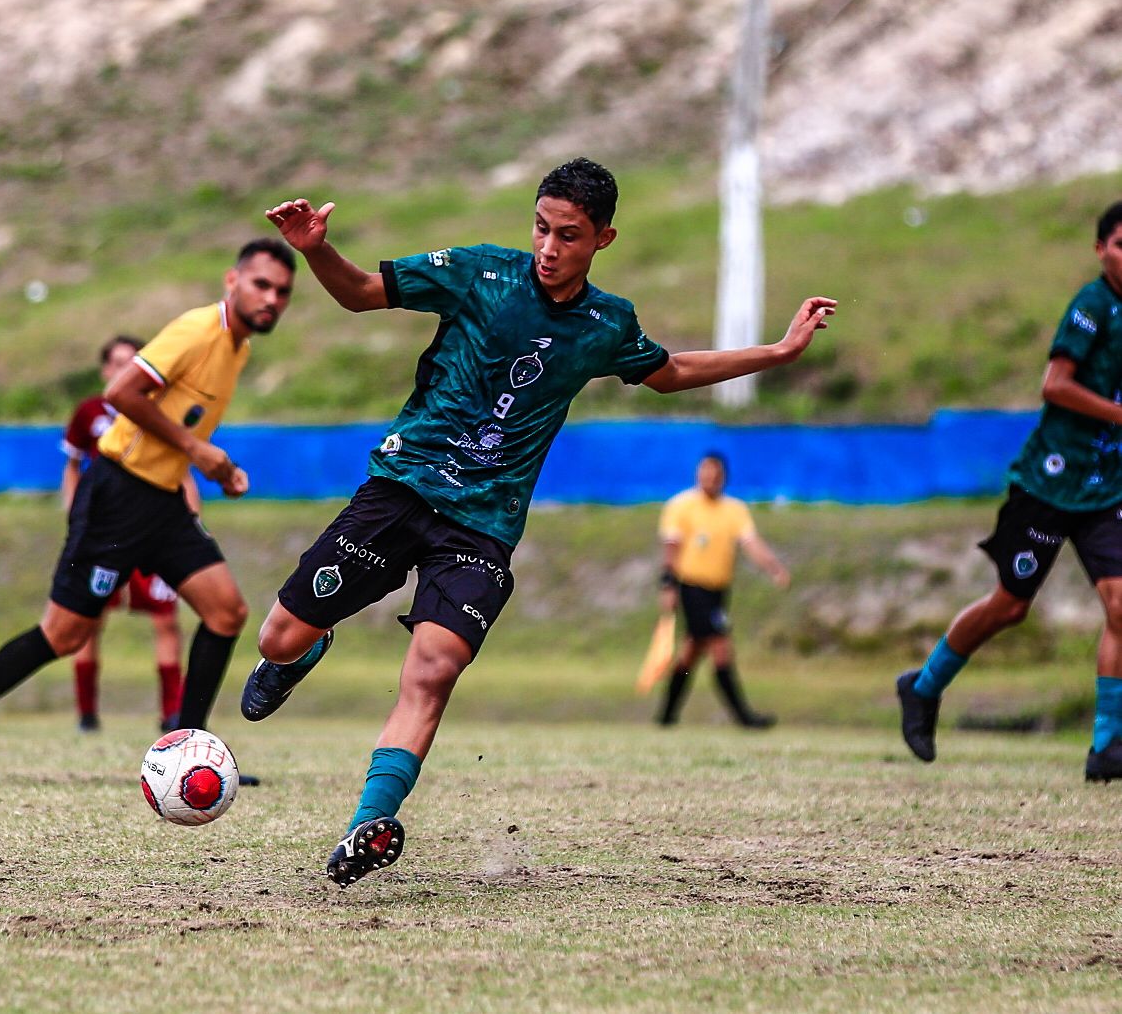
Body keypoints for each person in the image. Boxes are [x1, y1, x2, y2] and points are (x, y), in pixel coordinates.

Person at [244, 157, 836, 886]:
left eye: (569, 235)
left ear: (602, 240)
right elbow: (363, 294)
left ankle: (369, 820)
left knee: (433, 670)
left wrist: (777, 352)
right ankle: (304, 650)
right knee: (278, 635)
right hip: (401, 489)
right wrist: (315, 250)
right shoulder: (478, 273)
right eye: (540, 228)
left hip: (482, 526)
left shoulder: (604, 323)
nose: (549, 248)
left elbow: (670, 370)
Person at [0, 238, 299, 786]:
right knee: (64, 635)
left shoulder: (237, 346)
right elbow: (122, 391)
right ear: (232, 281)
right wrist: (196, 450)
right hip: (117, 494)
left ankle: (187, 754)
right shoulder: (198, 330)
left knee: (225, 612)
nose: (272, 299)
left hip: (162, 501)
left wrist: (214, 467)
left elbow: (179, 421)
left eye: (283, 292)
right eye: (262, 284)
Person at [898, 201, 1122, 783]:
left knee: (1121, 603)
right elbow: (1056, 386)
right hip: (1048, 483)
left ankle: (1107, 746)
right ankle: (922, 688)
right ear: (1101, 250)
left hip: (1105, 489)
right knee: (1011, 605)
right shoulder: (1092, 306)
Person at [61, 334, 198, 733]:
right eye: (117, 362)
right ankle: (87, 714)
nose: (124, 369)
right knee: (86, 621)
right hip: (105, 531)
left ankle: (171, 714)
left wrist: (191, 521)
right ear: (105, 369)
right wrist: (75, 516)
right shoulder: (89, 413)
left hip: (154, 528)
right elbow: (72, 467)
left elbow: (182, 472)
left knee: (166, 620)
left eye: (133, 362)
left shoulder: (158, 411)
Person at [654, 451, 789, 729]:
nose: (709, 480)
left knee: (691, 652)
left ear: (723, 478)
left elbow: (752, 544)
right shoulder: (681, 506)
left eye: (715, 475)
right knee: (720, 646)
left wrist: (774, 567)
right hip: (691, 587)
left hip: (718, 591)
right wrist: (668, 585)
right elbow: (671, 549)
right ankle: (744, 717)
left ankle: (666, 716)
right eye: (705, 474)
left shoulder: (734, 510)